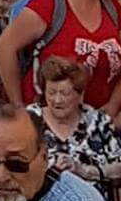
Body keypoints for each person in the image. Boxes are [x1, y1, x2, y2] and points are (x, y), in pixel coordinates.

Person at [0, 0, 121, 113]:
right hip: (50, 120)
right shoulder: (49, 4)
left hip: (99, 122)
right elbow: (4, 47)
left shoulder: (111, 7)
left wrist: (113, 105)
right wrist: (17, 105)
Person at [39, 54, 121, 193]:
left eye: (64, 93)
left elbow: (119, 166)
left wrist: (85, 171)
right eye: (51, 93)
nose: (57, 100)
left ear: (80, 95)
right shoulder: (29, 121)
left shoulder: (98, 122)